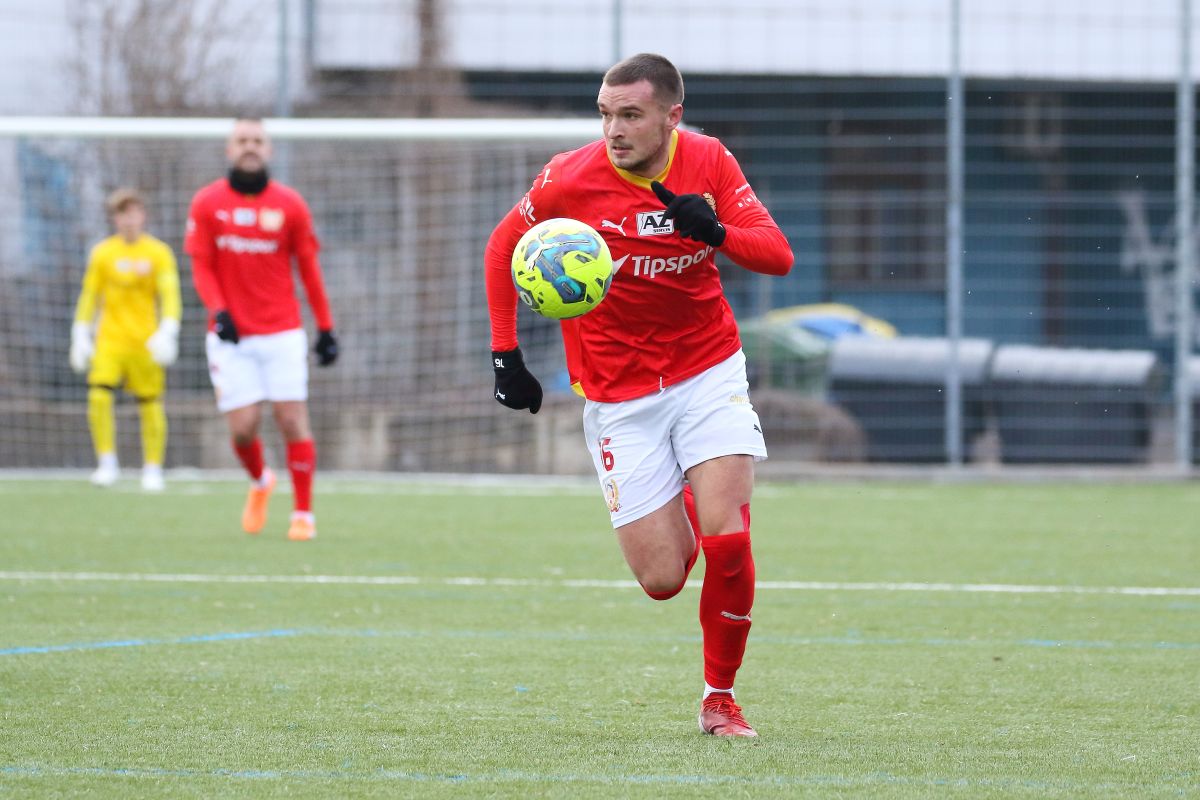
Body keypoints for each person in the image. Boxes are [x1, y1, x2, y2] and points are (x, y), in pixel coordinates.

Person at [485, 54, 793, 737]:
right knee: (662, 579)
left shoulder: (710, 161)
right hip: (618, 395)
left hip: (707, 369)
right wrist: (506, 354)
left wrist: (716, 232)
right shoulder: (568, 178)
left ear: (671, 117)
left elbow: (777, 255)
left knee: (729, 538)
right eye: (605, 115)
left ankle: (720, 699)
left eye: (630, 115)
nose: (614, 130)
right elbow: (503, 246)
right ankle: (684, 488)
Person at [185, 117, 339, 542]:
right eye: (242, 140)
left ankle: (303, 514)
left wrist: (326, 328)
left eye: (257, 140)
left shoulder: (290, 204)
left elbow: (309, 270)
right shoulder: (207, 202)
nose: (249, 146)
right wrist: (219, 312)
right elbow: (201, 266)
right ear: (229, 150)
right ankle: (260, 481)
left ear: (269, 149)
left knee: (291, 420)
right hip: (230, 335)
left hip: (282, 332)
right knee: (242, 428)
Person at [70, 188, 181, 491]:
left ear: (143, 215)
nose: (129, 219)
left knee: (150, 403)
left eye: (133, 212)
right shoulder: (103, 253)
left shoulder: (158, 253)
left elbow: (170, 294)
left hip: (146, 341)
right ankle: (106, 463)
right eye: (122, 213)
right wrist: (80, 332)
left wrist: (169, 329)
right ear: (114, 218)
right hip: (110, 340)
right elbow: (90, 295)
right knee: (98, 396)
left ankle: (153, 468)